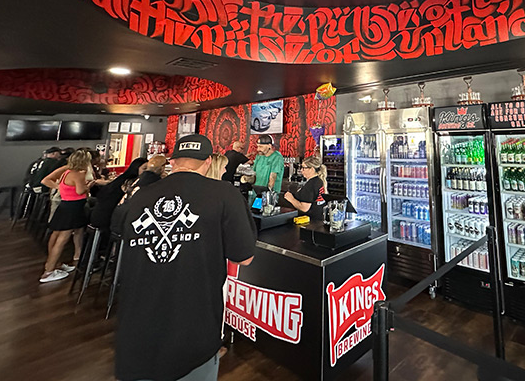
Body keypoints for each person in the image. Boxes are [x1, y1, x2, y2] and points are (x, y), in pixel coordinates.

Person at [113, 134, 255, 381]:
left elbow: (120, 233)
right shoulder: (224, 194)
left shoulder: (140, 196)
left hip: (135, 330)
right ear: (208, 161)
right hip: (193, 330)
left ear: (173, 161)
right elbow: (244, 257)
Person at [39, 150, 92, 283]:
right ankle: (49, 271)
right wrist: (88, 186)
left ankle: (52, 264)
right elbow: (80, 191)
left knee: (56, 236)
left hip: (64, 205)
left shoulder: (66, 172)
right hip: (73, 208)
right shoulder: (78, 174)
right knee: (62, 239)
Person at [283, 155, 327, 221]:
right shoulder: (318, 181)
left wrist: (291, 199)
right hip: (318, 219)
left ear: (312, 169)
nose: (301, 170)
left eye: (304, 168)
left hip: (310, 221)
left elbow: (304, 208)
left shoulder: (311, 184)